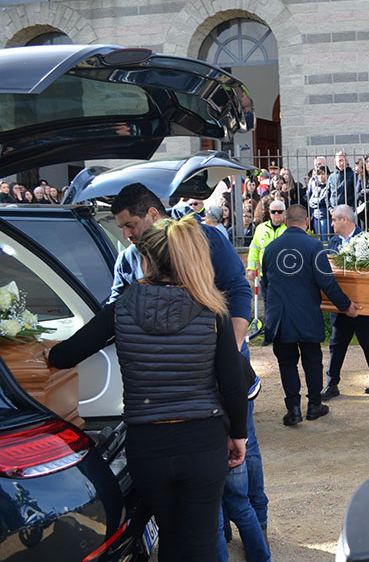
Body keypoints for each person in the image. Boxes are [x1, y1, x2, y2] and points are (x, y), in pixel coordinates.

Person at [47, 216, 249, 560]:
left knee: (170, 537)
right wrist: (239, 435)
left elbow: (64, 356)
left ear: (146, 259)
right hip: (202, 440)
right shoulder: (211, 310)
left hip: (148, 443)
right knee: (202, 542)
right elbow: (233, 383)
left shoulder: (122, 308)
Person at [105, 183, 268, 554]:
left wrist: (226, 350)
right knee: (200, 518)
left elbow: (238, 290)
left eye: (130, 225)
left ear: (152, 214)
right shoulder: (128, 258)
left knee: (241, 467)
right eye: (122, 229)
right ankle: (225, 538)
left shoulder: (207, 239)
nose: (127, 235)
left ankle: (257, 529)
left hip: (213, 379)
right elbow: (114, 308)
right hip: (177, 400)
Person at [261, 205, 362, 425]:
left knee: (287, 363)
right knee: (312, 361)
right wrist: (346, 306)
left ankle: (293, 409)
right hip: (306, 314)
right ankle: (314, 405)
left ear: (285, 222)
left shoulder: (270, 247)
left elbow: (265, 283)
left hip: (280, 318)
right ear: (306, 222)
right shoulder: (314, 246)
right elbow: (327, 282)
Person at [321, 205, 369, 400]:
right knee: (336, 344)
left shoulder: (367, 240)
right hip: (341, 304)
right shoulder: (333, 241)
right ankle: (332, 384)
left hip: (362, 305)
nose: (331, 224)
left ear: (344, 219)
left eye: (334, 220)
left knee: (367, 342)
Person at [246, 200, 287, 292]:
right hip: (266, 274)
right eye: (273, 211)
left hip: (284, 275)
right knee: (267, 299)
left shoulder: (288, 229)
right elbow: (254, 249)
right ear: (269, 212)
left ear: (284, 212)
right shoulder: (261, 228)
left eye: (279, 211)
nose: (276, 214)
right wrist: (251, 268)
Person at [307, 166, 331, 239]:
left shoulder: (329, 186)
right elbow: (310, 201)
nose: (321, 176)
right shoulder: (316, 187)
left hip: (325, 216)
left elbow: (322, 200)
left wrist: (315, 201)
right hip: (316, 216)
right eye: (319, 174)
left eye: (323, 174)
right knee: (319, 239)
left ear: (328, 175)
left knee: (325, 238)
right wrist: (317, 202)